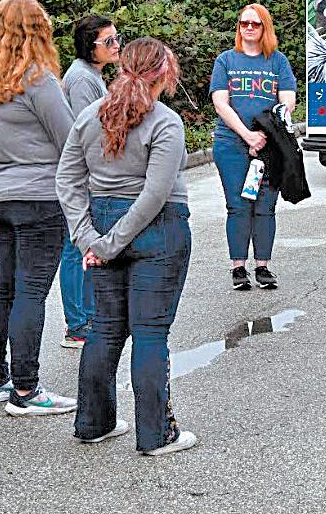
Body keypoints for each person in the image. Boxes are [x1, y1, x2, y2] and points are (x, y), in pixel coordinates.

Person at [56, 37, 197, 454]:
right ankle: (157, 434)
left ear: (122, 69)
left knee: (105, 327)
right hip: (158, 230)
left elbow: (67, 180)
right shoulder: (165, 122)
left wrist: (89, 239)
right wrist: (108, 243)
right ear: (165, 73)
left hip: (102, 225)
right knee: (150, 332)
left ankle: (93, 424)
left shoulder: (89, 116)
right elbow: (155, 194)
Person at [0, 0, 77, 415]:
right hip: (39, 194)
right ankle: (26, 390)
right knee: (31, 291)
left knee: (2, 286)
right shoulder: (38, 80)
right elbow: (70, 139)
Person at [210, 4, 297, 291]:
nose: (248, 28)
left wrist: (266, 133)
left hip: (270, 145)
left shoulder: (277, 61)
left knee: (265, 206)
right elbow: (221, 103)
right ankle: (238, 267)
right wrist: (247, 135)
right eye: (244, 23)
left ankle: (263, 266)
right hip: (231, 144)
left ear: (265, 28)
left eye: (255, 23)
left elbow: (287, 101)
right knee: (237, 205)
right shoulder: (225, 60)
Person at [57, 15, 122, 348]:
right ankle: (78, 324)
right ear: (89, 46)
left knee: (83, 245)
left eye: (117, 38)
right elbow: (88, 129)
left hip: (84, 173)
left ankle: (87, 317)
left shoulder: (92, 74)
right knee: (75, 247)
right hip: (81, 174)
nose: (116, 45)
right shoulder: (82, 79)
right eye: (108, 41)